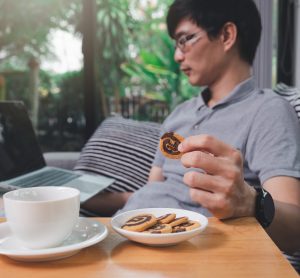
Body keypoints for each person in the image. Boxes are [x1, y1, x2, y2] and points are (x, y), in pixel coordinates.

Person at [82, 0, 300, 253]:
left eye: (185, 39)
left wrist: (251, 203)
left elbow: (295, 230)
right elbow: (152, 191)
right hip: (122, 234)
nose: (177, 55)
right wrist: (83, 197)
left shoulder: (267, 110)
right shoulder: (179, 114)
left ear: (227, 35)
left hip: (183, 251)